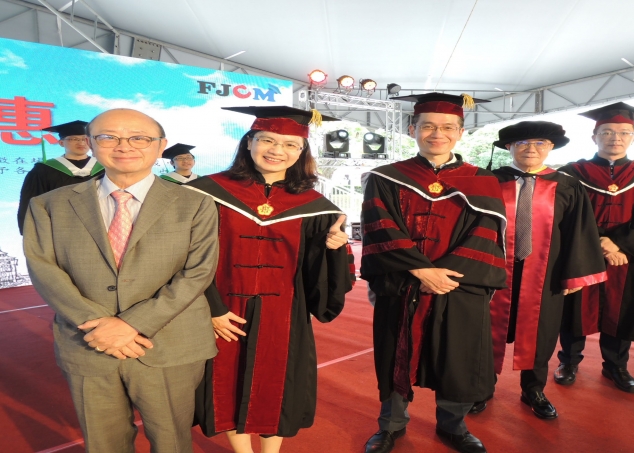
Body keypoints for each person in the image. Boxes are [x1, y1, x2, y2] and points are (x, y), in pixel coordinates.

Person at [23, 108, 219, 453]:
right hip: (89, 340)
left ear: (161, 146)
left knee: (172, 441)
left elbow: (197, 272)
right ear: (91, 143)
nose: (124, 146)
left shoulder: (196, 204)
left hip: (168, 343)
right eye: (108, 137)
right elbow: (43, 267)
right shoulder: (49, 205)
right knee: (104, 443)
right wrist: (97, 324)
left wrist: (131, 325)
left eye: (139, 138)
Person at [186, 106, 355, 453]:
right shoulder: (207, 192)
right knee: (227, 382)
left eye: (291, 145)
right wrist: (211, 309)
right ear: (249, 142)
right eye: (267, 140)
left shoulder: (314, 205)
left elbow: (322, 274)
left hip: (284, 314)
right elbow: (185, 256)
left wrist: (333, 249)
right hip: (222, 310)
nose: (278, 150)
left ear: (301, 152)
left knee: (277, 386)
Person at [360, 93, 507, 453]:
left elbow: (486, 234)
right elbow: (379, 225)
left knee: (458, 356)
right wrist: (421, 270)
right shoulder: (387, 177)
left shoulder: (483, 180)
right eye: (427, 126)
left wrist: (445, 275)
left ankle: (453, 426)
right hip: (402, 282)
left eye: (447, 127)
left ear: (460, 132)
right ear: (412, 129)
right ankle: (391, 425)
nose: (437, 133)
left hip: (459, 285)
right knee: (395, 353)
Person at [477, 121, 606, 419]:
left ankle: (533, 390)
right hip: (493, 271)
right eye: (522, 143)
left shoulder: (568, 185)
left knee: (542, 332)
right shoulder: (488, 181)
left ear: (550, 147)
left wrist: (574, 274)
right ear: (509, 147)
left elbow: (578, 232)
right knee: (484, 329)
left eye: (539, 143)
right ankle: (481, 387)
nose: (531, 149)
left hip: (546, 273)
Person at [555, 102, 634, 393]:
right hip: (581, 253)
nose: (615, 138)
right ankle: (568, 362)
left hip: (627, 256)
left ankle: (616, 366)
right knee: (574, 309)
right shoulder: (571, 172)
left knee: (621, 310)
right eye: (607, 132)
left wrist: (618, 242)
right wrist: (600, 243)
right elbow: (565, 215)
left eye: (623, 132)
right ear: (594, 136)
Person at [17, 120, 104, 233]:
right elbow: (31, 201)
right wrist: (32, 232)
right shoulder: (43, 169)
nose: (81, 143)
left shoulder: (104, 168)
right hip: (59, 228)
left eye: (85, 139)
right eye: (73, 139)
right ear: (61, 143)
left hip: (101, 226)